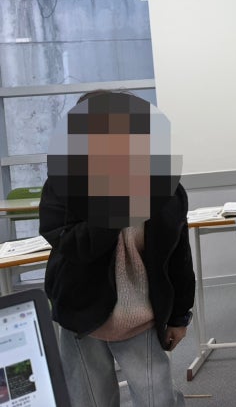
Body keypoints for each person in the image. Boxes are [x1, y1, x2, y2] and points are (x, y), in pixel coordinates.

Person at [40, 90, 194, 407]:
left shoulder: (165, 187)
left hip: (141, 316)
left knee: (157, 400)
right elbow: (75, 246)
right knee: (90, 401)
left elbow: (178, 257)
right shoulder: (62, 183)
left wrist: (180, 316)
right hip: (82, 315)